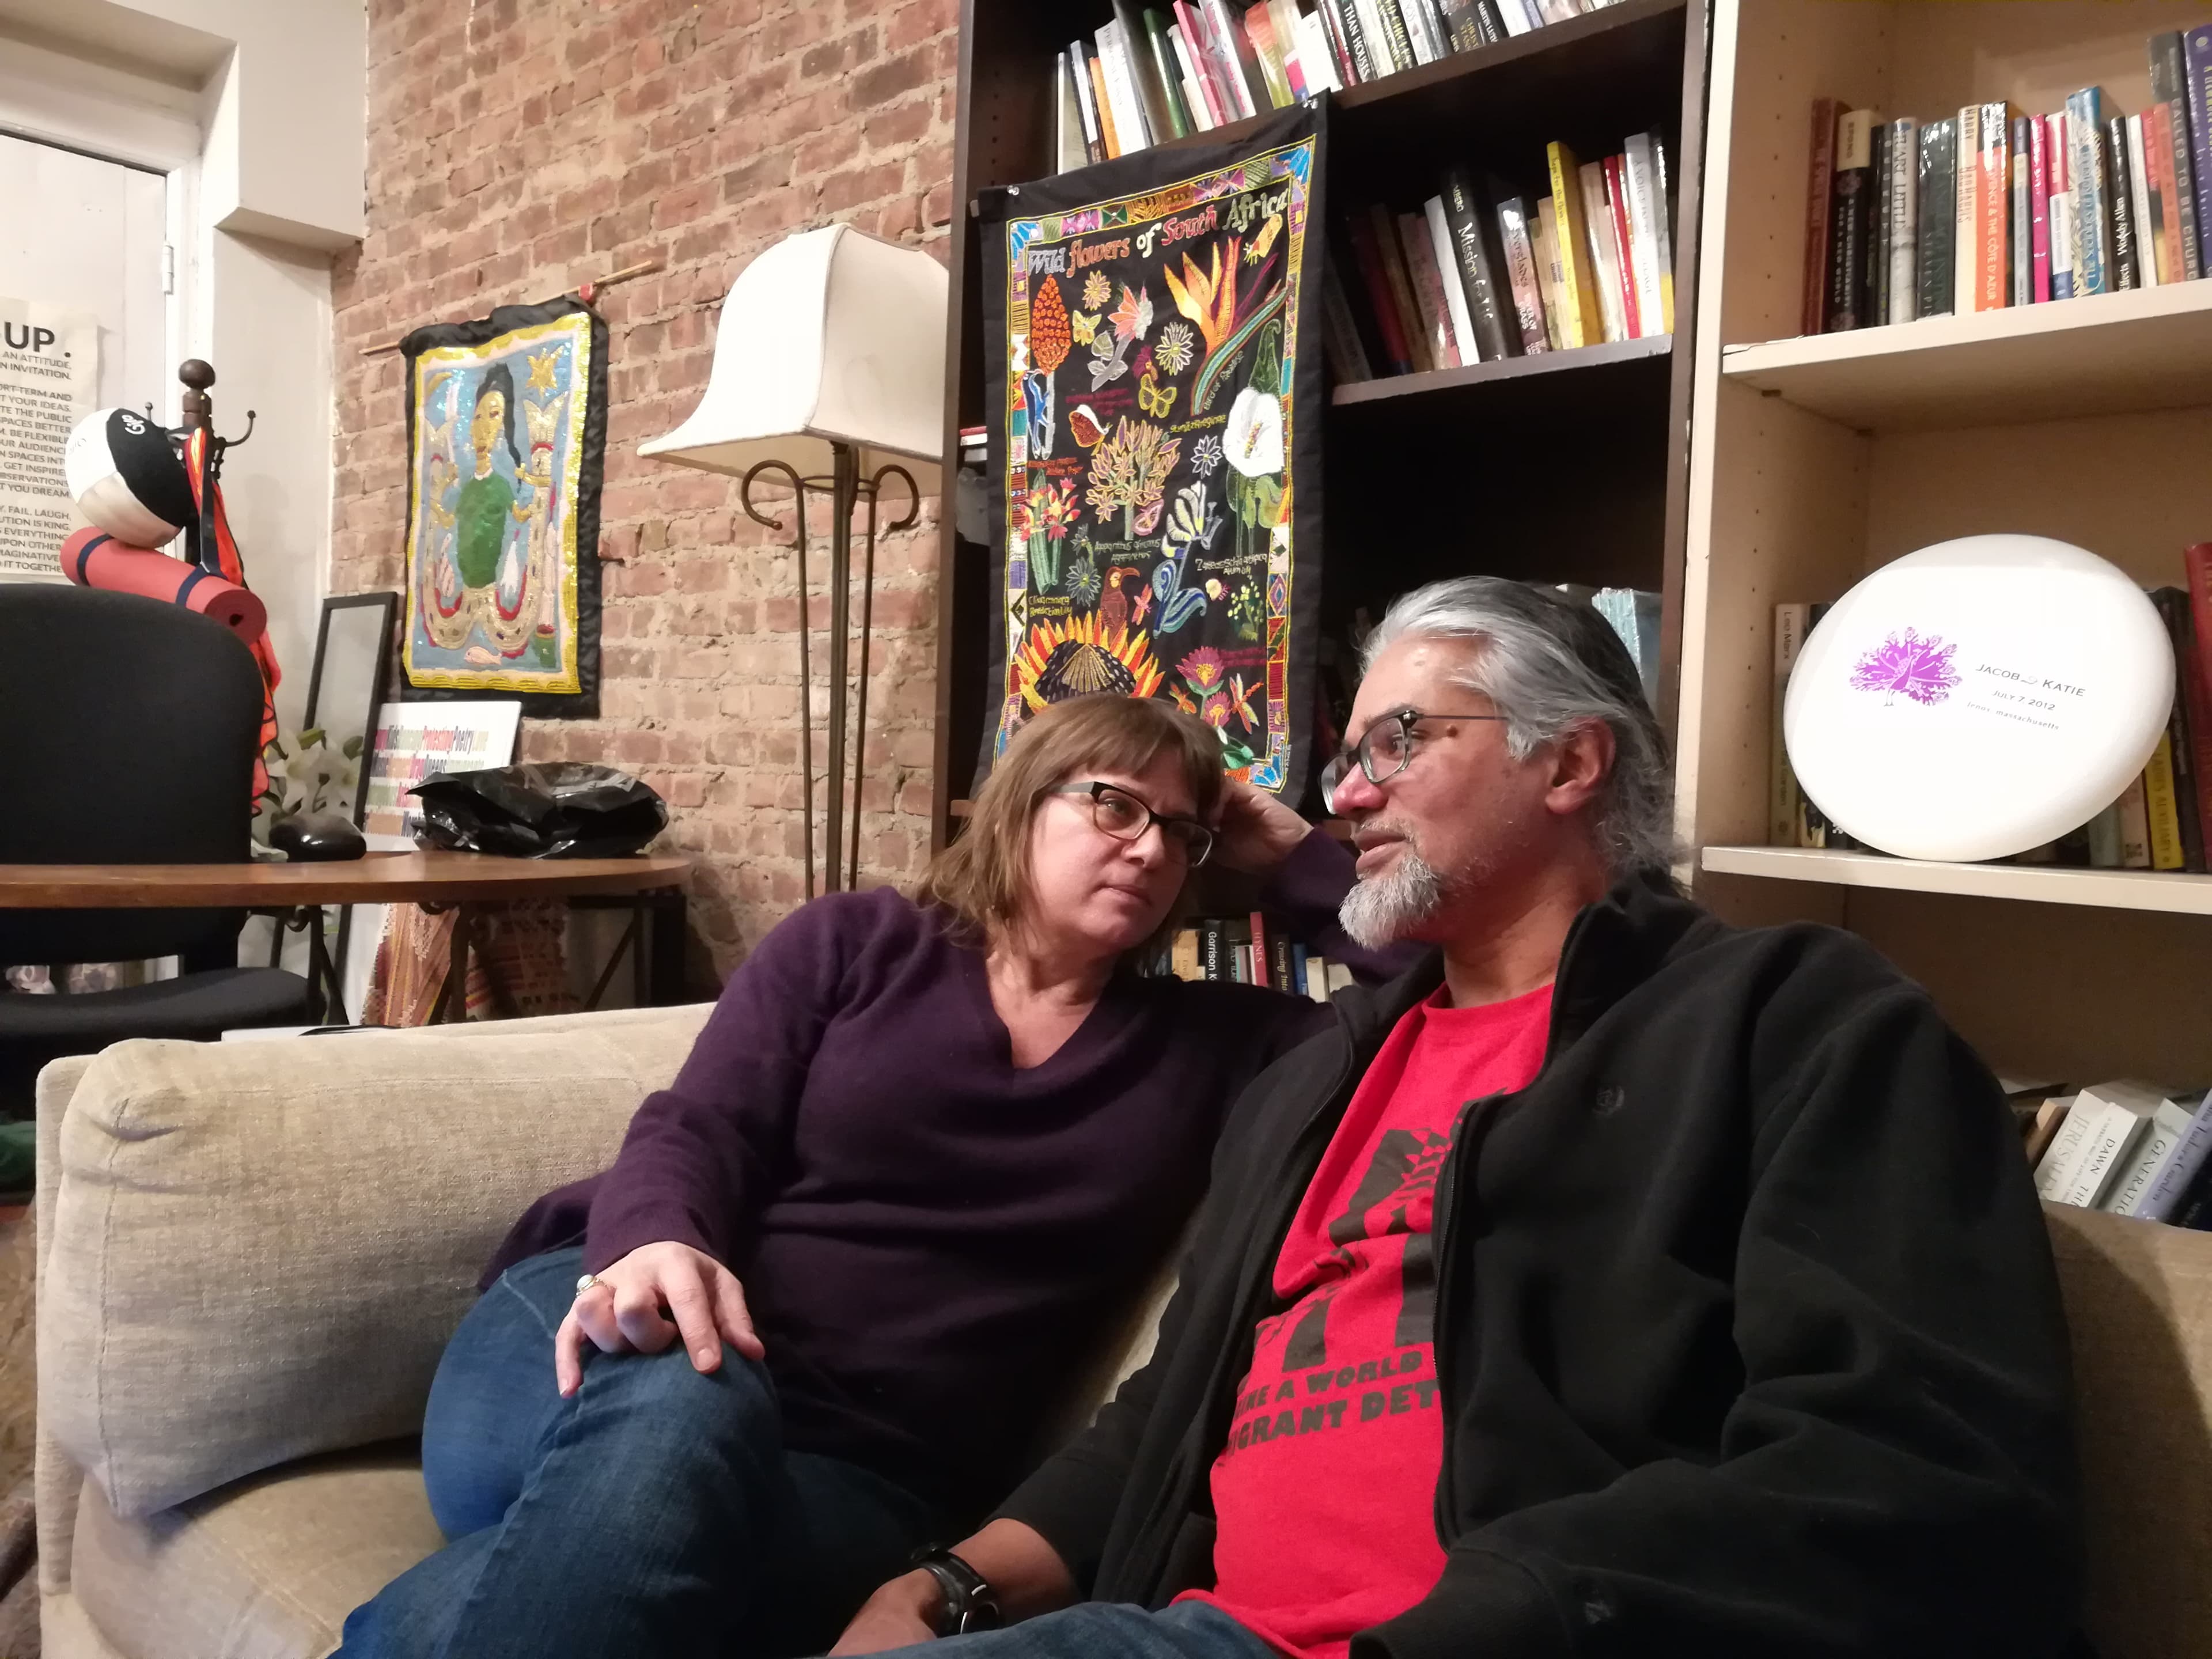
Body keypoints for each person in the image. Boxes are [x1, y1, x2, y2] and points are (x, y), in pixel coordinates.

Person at [834, 576, 2081, 1659]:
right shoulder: (1314, 1078)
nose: (1348, 795)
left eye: (1399, 741)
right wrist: (939, 1586)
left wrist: (1490, 1621)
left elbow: (1916, 1464)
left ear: (1572, 763)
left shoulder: (1793, 1020)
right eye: (1347, 758)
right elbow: (1167, 1413)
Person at [336, 692, 1406, 1659]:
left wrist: (1295, 855)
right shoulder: (860, 941)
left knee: (556, 1577)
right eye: (1115, 806)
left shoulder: (1220, 1044)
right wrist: (657, 1241)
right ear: (1021, 802)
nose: (1150, 848)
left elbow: (1444, 988)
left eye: (1183, 832)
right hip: (602, 1333)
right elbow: (700, 1123)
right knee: (690, 1400)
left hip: (864, 1475)